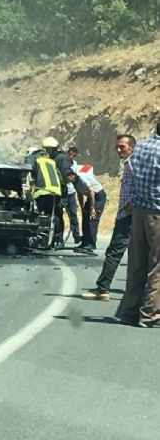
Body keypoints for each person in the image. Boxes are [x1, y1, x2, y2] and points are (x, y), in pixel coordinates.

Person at [82, 134, 136, 301]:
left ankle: (102, 289)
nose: (119, 150)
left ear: (132, 147)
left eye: (123, 147)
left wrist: (131, 204)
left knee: (114, 252)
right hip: (131, 214)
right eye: (117, 147)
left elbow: (144, 185)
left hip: (129, 216)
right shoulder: (129, 163)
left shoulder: (133, 163)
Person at [119, 122, 160, 327]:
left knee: (137, 263)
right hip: (158, 213)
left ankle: (128, 311)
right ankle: (149, 314)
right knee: (157, 266)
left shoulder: (141, 146)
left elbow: (132, 177)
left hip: (139, 211)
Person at [25, 143, 62, 248]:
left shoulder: (33, 158)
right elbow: (60, 177)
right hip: (55, 191)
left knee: (38, 216)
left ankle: (39, 239)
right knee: (53, 216)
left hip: (42, 191)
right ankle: (55, 240)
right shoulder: (50, 160)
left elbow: (27, 169)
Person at [63, 169, 106, 253]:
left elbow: (91, 192)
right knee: (85, 219)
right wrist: (83, 208)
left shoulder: (82, 179)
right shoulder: (74, 182)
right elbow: (80, 194)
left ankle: (91, 244)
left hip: (98, 197)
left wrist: (92, 208)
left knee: (92, 219)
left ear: (72, 176)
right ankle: (85, 242)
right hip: (90, 198)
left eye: (67, 178)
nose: (66, 180)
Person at [65, 146, 81, 244]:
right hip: (63, 191)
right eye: (69, 154)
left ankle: (76, 235)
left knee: (73, 214)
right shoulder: (63, 163)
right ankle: (57, 237)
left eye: (73, 155)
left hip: (71, 192)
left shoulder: (75, 165)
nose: (71, 156)